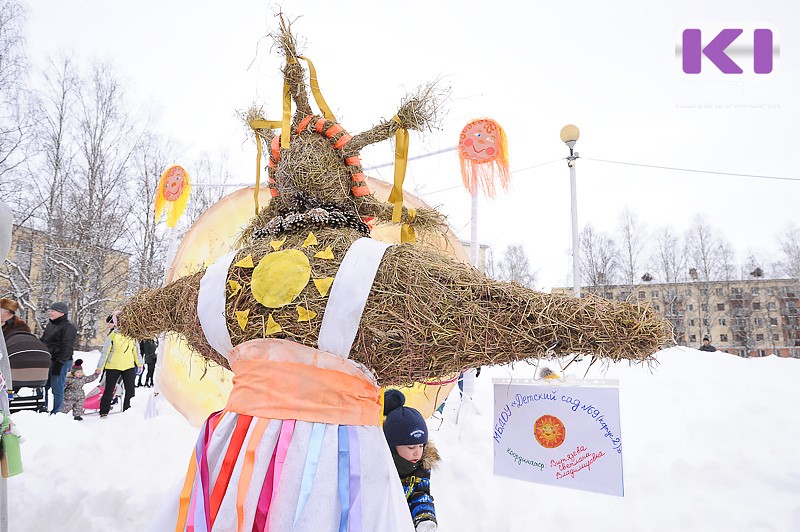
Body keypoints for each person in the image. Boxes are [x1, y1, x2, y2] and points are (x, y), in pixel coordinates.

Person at [383, 389, 439, 532]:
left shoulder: (421, 466)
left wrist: (425, 518)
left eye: (421, 445)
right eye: (411, 446)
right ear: (393, 446)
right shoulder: (382, 465)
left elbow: (420, 495)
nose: (417, 452)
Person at [95, 314, 142, 418]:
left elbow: (136, 351)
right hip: (113, 366)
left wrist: (139, 364)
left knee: (130, 389)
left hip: (128, 366)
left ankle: (128, 410)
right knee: (109, 389)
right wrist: (100, 367)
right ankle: (104, 411)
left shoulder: (132, 336)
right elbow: (105, 352)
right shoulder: (113, 335)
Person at [40, 301, 77, 414]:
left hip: (61, 361)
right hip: (48, 360)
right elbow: (44, 341)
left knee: (57, 388)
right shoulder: (50, 325)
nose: (50, 313)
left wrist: (59, 363)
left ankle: (56, 412)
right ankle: (43, 407)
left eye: (53, 311)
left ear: (61, 313)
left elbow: (67, 348)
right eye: (50, 310)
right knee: (42, 385)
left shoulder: (69, 327)